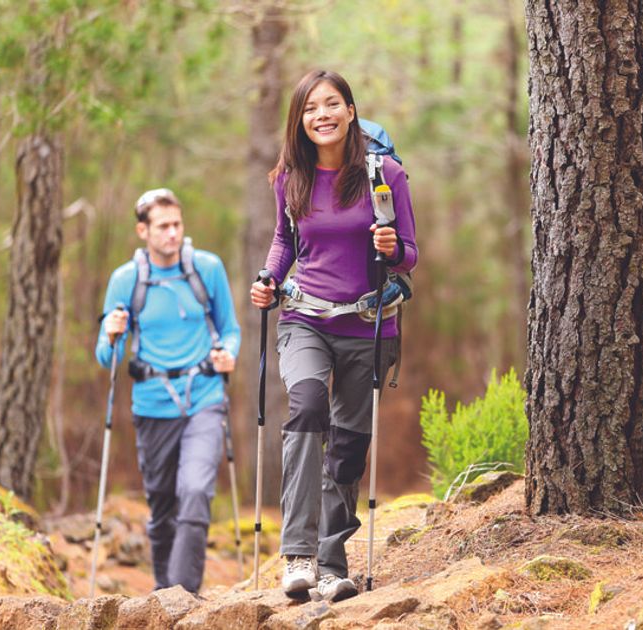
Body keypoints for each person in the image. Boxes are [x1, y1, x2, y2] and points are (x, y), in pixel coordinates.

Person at [250, 69, 418, 602]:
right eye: (309, 108)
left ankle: (330, 563)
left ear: (350, 111)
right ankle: (297, 555)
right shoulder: (290, 176)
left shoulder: (384, 174)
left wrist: (392, 248)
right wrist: (269, 277)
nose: (321, 115)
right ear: (299, 120)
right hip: (305, 319)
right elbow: (285, 240)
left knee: (347, 443)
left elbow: (410, 254)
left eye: (331, 104)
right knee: (305, 407)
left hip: (369, 325)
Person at [95, 188, 240, 594]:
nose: (173, 233)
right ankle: (164, 593)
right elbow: (107, 359)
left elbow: (230, 329)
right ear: (143, 231)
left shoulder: (207, 268)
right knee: (161, 506)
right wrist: (112, 334)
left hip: (205, 397)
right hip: (152, 404)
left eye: (177, 224)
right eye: (163, 226)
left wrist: (228, 354)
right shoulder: (126, 280)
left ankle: (183, 594)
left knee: (195, 491)